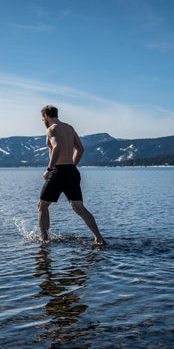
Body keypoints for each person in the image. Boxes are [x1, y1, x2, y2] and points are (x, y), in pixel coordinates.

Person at [38, 105, 106, 245]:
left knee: (42, 205)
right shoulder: (69, 128)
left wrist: (49, 170)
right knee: (78, 207)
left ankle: (44, 239)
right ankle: (98, 238)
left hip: (58, 171)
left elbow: (57, 148)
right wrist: (71, 166)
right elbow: (80, 149)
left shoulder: (51, 129)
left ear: (45, 116)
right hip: (71, 171)